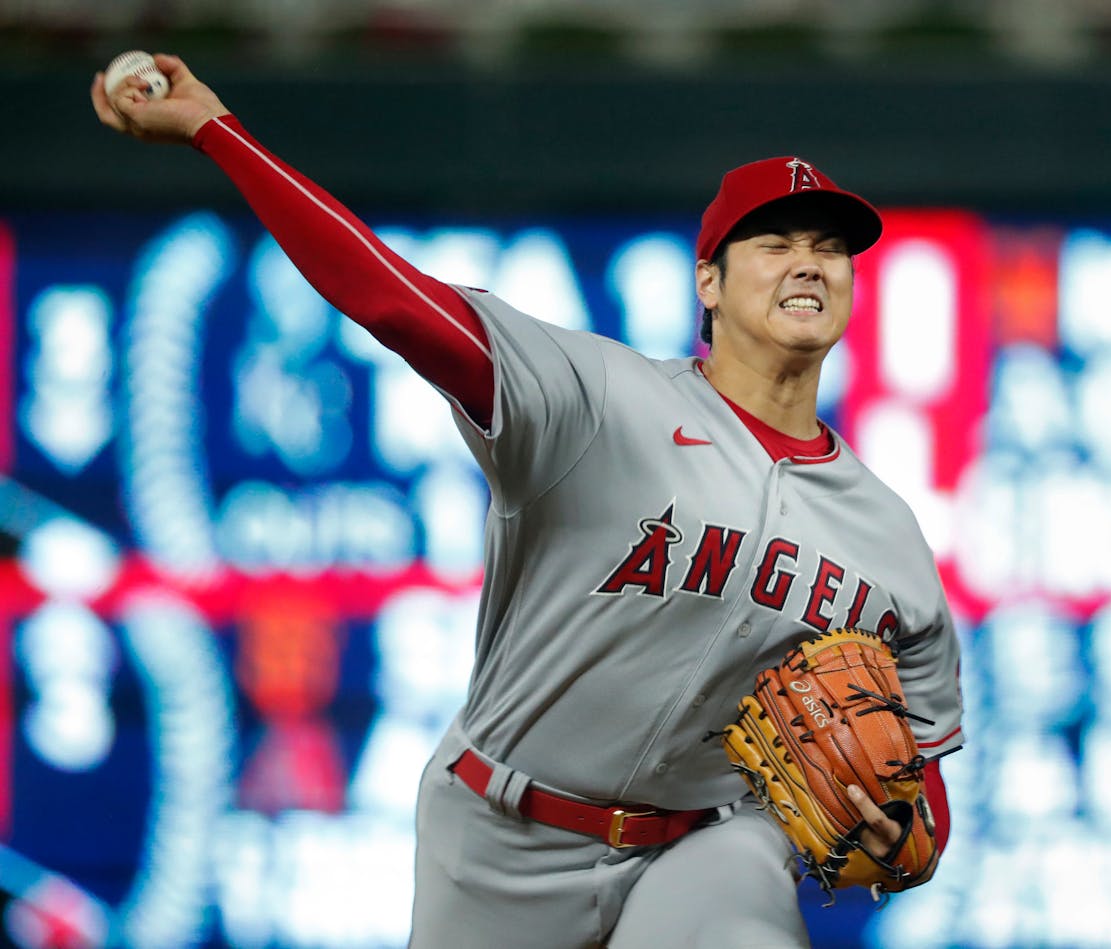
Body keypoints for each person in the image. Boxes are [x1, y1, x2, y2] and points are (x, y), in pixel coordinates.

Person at [92, 54, 965, 948]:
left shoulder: (887, 534)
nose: (807, 263)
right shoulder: (598, 399)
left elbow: (924, 777)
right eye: (775, 244)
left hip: (704, 846)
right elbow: (392, 302)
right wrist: (216, 130)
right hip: (500, 831)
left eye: (829, 247)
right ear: (708, 282)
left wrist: (907, 835)